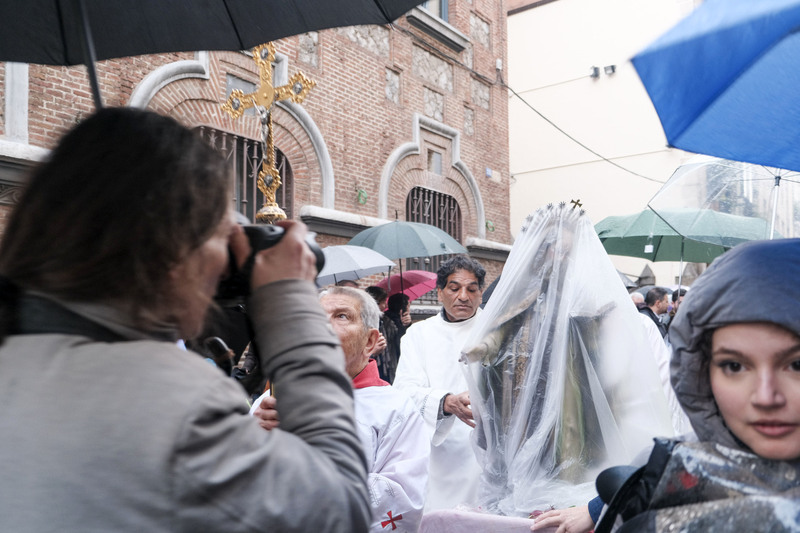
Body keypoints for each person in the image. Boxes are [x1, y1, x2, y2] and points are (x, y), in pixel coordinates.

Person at [0, 108, 370, 532]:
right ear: (173, 250)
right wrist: (290, 301)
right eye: (220, 234)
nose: (226, 258)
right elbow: (340, 508)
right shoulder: (174, 404)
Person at [534, 239, 800, 531]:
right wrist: (605, 506)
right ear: (701, 372)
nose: (765, 397)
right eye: (734, 366)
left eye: (796, 365)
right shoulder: (663, 468)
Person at [252, 286, 430, 532]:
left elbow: (403, 501)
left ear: (369, 340)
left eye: (342, 316)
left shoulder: (396, 409)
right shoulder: (274, 399)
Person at [393, 255, 486, 512]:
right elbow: (403, 390)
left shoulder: (495, 330)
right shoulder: (418, 334)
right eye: (454, 288)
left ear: (481, 294)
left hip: (488, 449)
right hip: (439, 451)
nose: (463, 296)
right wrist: (445, 401)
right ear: (440, 293)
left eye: (471, 289)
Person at [365, 286, 401, 383]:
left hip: (388, 366)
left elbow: (397, 341)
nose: (386, 306)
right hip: (371, 367)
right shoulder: (363, 323)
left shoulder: (387, 321)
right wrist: (372, 353)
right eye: (383, 302)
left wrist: (403, 324)